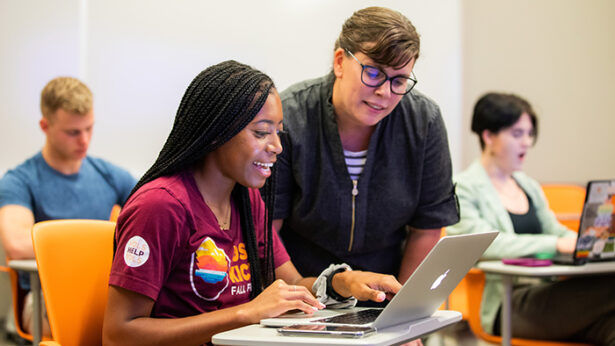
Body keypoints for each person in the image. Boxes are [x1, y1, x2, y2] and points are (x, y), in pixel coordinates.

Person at [103, 60, 404, 346]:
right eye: (261, 133)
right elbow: (119, 334)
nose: (277, 147)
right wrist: (243, 314)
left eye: (278, 132)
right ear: (215, 134)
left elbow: (293, 285)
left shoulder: (246, 200)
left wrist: (342, 281)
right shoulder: (161, 206)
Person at [272, 6, 459, 286]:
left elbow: (427, 228)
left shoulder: (424, 122)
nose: (384, 92)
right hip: (299, 287)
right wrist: (303, 295)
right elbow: (266, 229)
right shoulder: (289, 118)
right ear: (339, 62)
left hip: (386, 291)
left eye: (399, 80)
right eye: (373, 73)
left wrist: (403, 311)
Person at [447, 92, 615, 344]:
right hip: (507, 303)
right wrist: (556, 245)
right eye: (517, 134)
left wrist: (586, 242)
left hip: (548, 292)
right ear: (489, 136)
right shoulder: (463, 186)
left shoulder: (529, 186)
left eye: (529, 134)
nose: (526, 142)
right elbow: (483, 243)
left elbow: (557, 232)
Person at [0, 76, 136, 338]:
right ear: (45, 125)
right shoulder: (18, 180)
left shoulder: (109, 175)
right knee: (96, 323)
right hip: (43, 297)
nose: (84, 140)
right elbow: (16, 243)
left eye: (89, 128)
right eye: (73, 132)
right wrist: (105, 240)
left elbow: (154, 212)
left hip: (103, 291)